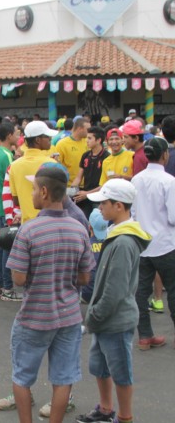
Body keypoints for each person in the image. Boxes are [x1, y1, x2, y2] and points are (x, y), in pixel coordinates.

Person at [5, 165, 95, 423]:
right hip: (68, 317)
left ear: (44, 192)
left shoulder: (29, 230)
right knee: (63, 378)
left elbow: (19, 278)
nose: (31, 193)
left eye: (34, 189)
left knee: (22, 377)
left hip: (34, 316)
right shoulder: (79, 228)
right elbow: (85, 277)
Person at [78, 179, 151, 423]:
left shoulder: (123, 241)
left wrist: (95, 314)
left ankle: (124, 416)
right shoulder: (118, 234)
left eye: (104, 204)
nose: (99, 209)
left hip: (114, 318)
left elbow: (115, 288)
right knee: (100, 366)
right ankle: (107, 409)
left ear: (118, 206)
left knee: (121, 372)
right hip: (106, 318)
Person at [130, 137, 175, 351]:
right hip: (165, 244)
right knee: (173, 291)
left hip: (141, 244)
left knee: (140, 291)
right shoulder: (169, 181)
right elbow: (173, 217)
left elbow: (132, 212)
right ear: (164, 154)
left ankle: (145, 336)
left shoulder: (136, 180)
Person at [0, 123, 17, 298]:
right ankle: (7, 287)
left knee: (2, 246)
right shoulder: (7, 155)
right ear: (9, 135)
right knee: (7, 247)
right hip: (6, 206)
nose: (17, 136)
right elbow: (11, 184)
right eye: (16, 133)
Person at [71, 126, 110, 220]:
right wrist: (72, 190)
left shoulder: (107, 157)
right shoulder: (85, 155)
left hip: (99, 197)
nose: (86, 141)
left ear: (98, 140)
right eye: (86, 138)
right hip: (84, 195)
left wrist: (87, 193)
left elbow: (106, 183)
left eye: (90, 138)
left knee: (98, 222)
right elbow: (78, 177)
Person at [56, 117, 91, 186]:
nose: (89, 132)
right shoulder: (62, 144)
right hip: (69, 186)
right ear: (79, 129)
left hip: (87, 186)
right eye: (88, 129)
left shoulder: (88, 142)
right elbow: (57, 166)